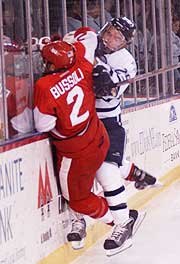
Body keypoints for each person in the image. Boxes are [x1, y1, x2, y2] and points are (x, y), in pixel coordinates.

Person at [65, 17, 159, 256]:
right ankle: (80, 219)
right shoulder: (86, 40)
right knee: (73, 174)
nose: (110, 39)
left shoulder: (126, 62)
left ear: (125, 43)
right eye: (109, 32)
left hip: (106, 123)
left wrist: (105, 79)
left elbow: (110, 89)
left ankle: (123, 223)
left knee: (107, 171)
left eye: (118, 38)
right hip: (78, 122)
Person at [33, 26, 120, 253]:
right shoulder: (82, 62)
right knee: (89, 180)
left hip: (74, 151)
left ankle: (119, 220)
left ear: (52, 65)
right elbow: (90, 34)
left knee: (76, 197)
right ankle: (80, 220)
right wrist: (70, 41)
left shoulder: (44, 85)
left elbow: (44, 125)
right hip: (98, 137)